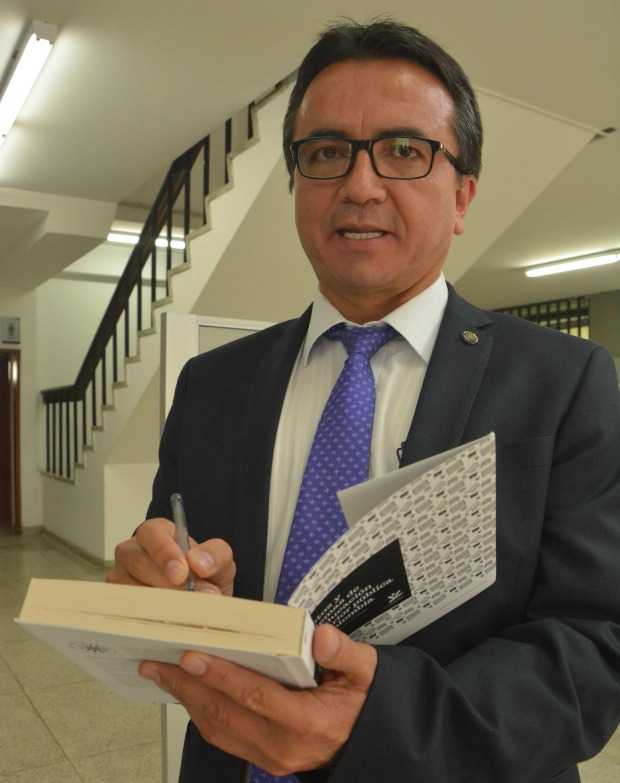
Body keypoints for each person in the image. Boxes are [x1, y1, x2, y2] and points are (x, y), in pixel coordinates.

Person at [107, 20, 620, 783]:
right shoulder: (212, 384)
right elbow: (179, 573)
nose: (359, 185)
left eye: (404, 150)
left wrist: (381, 719)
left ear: (462, 196)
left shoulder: (564, 381)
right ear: (295, 185)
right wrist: (165, 589)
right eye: (326, 153)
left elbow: (594, 646)